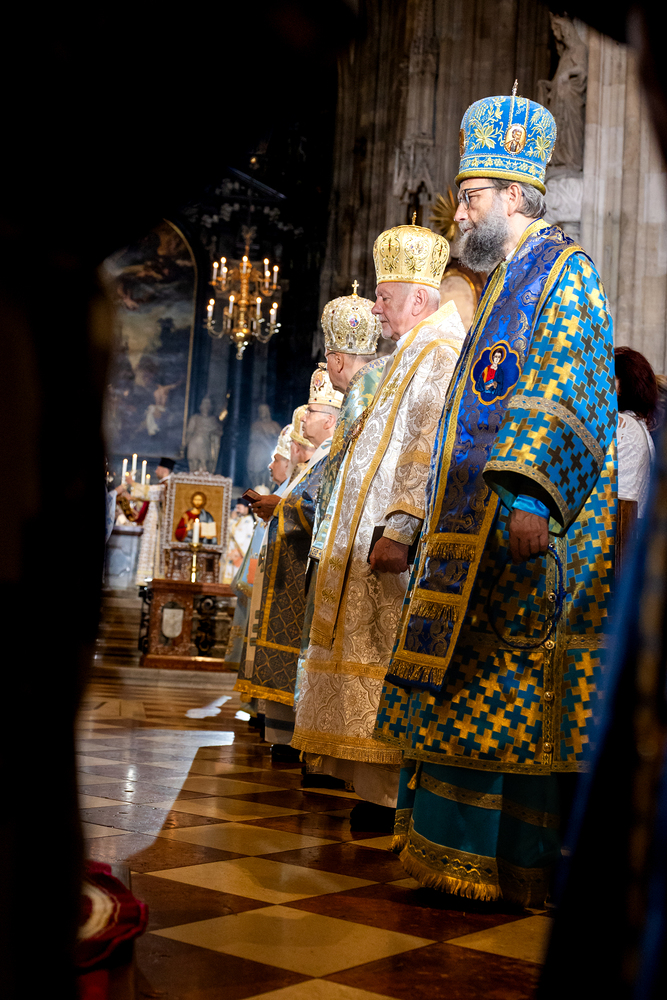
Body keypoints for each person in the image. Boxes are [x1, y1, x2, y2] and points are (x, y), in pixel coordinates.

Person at [373, 87, 617, 905]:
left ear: (514, 195)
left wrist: (530, 497)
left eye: (471, 196)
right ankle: (446, 849)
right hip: (469, 529)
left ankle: (504, 860)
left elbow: (569, 384)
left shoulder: (564, 272)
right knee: (464, 686)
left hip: (519, 524)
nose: (459, 213)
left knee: (506, 688)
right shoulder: (504, 280)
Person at [292, 222, 466, 830]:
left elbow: (424, 446)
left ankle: (389, 797)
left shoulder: (438, 351)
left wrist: (401, 527)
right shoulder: (408, 352)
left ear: (418, 298)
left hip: (390, 544)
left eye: (384, 297)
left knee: (386, 655)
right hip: (366, 541)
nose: (375, 307)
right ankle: (370, 789)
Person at [234, 369, 343, 758]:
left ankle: (292, 740)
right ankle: (281, 735)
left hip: (303, 574)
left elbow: (325, 511)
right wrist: (277, 507)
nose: (304, 418)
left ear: (329, 421)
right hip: (290, 572)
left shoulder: (333, 455)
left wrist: (278, 507)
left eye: (311, 411)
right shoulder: (319, 459)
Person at [135, 457, 175, 583]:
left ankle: (154, 579)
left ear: (164, 470)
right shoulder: (163, 484)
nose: (156, 471)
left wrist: (132, 484)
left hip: (162, 526)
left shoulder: (169, 484)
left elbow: (150, 492)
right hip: (156, 524)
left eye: (158, 468)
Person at [223, 499, 255, 585]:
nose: (237, 510)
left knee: (237, 578)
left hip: (239, 554)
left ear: (246, 508)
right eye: (236, 508)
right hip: (232, 553)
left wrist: (238, 552)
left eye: (239, 508)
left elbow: (248, 539)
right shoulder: (240, 519)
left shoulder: (249, 521)